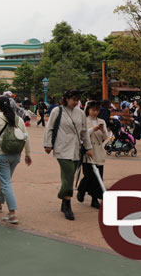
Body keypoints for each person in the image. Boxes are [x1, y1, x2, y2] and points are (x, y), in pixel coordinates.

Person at [0, 96, 32, 224]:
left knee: (5, 183)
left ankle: (12, 213)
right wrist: (27, 153)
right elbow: (26, 137)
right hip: (15, 154)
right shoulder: (18, 119)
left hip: (1, 155)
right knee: (6, 180)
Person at [43, 89, 93, 221]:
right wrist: (48, 144)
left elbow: (84, 132)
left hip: (76, 148)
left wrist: (88, 147)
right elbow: (49, 128)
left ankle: (64, 201)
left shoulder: (81, 113)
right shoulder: (57, 111)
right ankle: (68, 203)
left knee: (68, 177)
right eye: (73, 99)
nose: (75, 102)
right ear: (66, 99)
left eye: (77, 100)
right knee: (69, 174)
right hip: (62, 147)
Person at [77, 101, 109, 209]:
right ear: (88, 110)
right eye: (93, 110)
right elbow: (82, 135)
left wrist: (103, 130)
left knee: (98, 177)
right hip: (88, 150)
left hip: (99, 151)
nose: (95, 112)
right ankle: (82, 190)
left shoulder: (102, 121)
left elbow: (105, 138)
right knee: (89, 175)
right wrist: (92, 129)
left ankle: (94, 199)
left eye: (97, 110)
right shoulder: (84, 121)